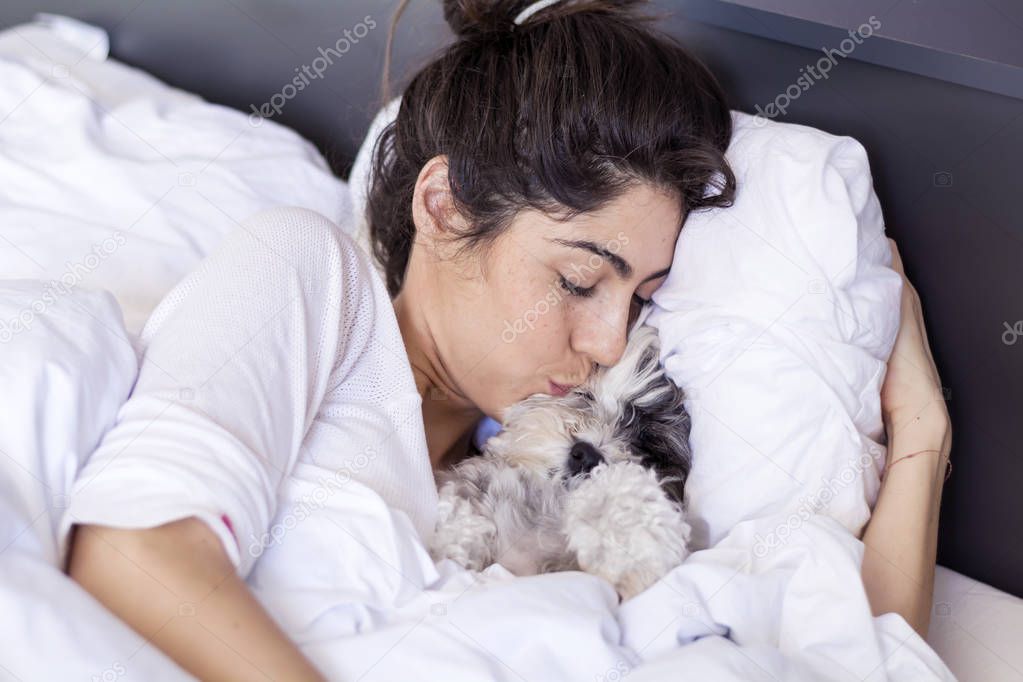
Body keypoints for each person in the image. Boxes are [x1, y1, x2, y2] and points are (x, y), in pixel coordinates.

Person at [65, 1, 951, 680]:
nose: (610, 341)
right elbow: (134, 551)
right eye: (576, 281)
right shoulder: (310, 275)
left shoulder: (563, 491)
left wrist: (919, 439)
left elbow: (848, 656)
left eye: (641, 296)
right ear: (444, 205)